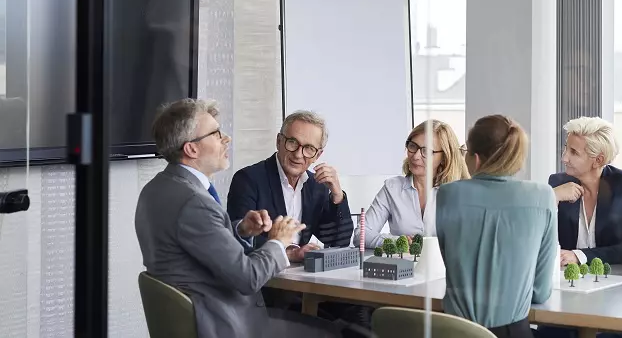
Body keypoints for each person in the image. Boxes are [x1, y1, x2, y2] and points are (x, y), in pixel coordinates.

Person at [134, 98, 340, 338]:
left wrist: (240, 230)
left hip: (200, 317)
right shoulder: (196, 202)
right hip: (225, 323)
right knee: (337, 332)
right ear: (192, 149)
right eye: (216, 134)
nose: (226, 139)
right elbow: (249, 279)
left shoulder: (156, 189)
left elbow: (201, 248)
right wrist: (278, 241)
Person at [437, 115, 557, 338]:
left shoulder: (448, 194)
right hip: (512, 332)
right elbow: (540, 292)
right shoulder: (542, 196)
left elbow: (454, 266)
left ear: (476, 159)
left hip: (453, 331)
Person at [227, 110, 353, 260]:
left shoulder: (317, 186)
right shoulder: (248, 179)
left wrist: (338, 196)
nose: (298, 154)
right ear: (279, 141)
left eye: (309, 148)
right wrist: (288, 253)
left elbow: (338, 240)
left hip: (301, 277)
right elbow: (239, 240)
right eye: (292, 142)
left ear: (317, 155)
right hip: (262, 277)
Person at [354, 119, 469, 248]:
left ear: (444, 158)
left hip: (444, 267)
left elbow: (468, 241)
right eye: (413, 146)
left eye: (426, 151)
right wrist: (399, 242)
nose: (416, 156)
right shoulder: (392, 188)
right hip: (403, 266)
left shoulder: (457, 193)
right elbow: (361, 235)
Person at [549, 117, 622, 266]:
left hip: (615, 279)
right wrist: (552, 198)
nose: (564, 158)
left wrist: (578, 256)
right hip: (565, 279)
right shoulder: (557, 183)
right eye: (566, 148)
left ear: (598, 160)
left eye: (574, 152)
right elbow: (540, 240)